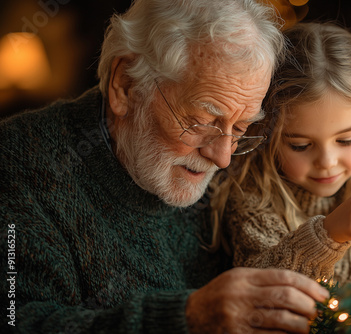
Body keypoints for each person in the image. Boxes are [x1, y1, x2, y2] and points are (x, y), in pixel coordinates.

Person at [0, 1, 331, 333]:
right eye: (201, 122)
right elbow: (15, 320)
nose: (222, 157)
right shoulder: (17, 163)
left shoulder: (240, 169)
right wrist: (185, 318)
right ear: (126, 84)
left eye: (242, 128)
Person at [209, 22, 351, 286]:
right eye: (301, 145)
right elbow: (261, 286)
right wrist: (327, 235)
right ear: (266, 134)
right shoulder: (250, 200)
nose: (327, 162)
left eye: (346, 140)